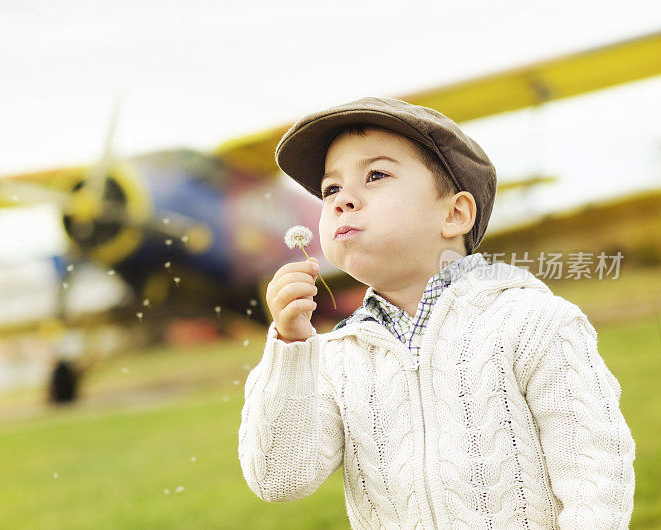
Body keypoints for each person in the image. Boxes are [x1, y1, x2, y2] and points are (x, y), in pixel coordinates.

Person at [237, 97, 636, 529]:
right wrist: (292, 346)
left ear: (454, 214)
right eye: (330, 188)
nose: (341, 200)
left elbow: (595, 472)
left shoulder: (532, 321)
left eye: (376, 175)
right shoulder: (335, 357)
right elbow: (280, 479)